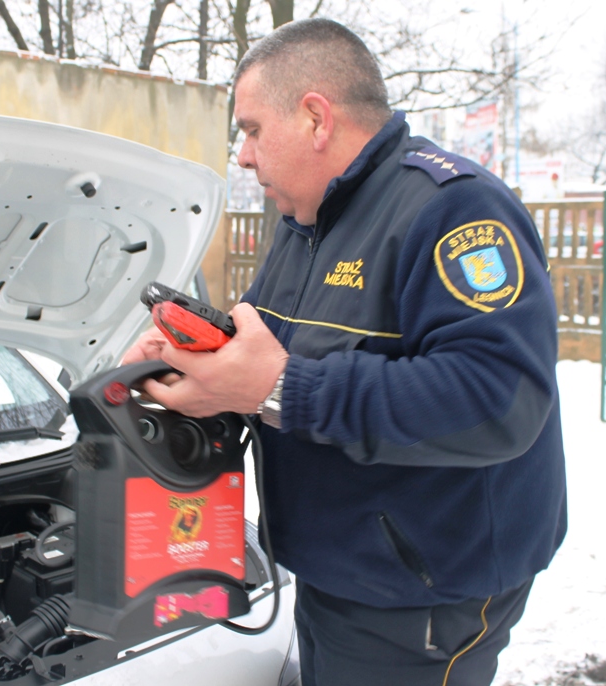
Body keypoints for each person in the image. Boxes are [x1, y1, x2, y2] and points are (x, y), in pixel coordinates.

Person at [122, 17, 566, 686]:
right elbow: (263, 358)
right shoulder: (305, 223)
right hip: (339, 570)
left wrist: (279, 388)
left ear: (315, 118)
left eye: (251, 130)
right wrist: (190, 363)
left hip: (423, 595)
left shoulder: (452, 210)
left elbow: (500, 399)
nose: (243, 156)